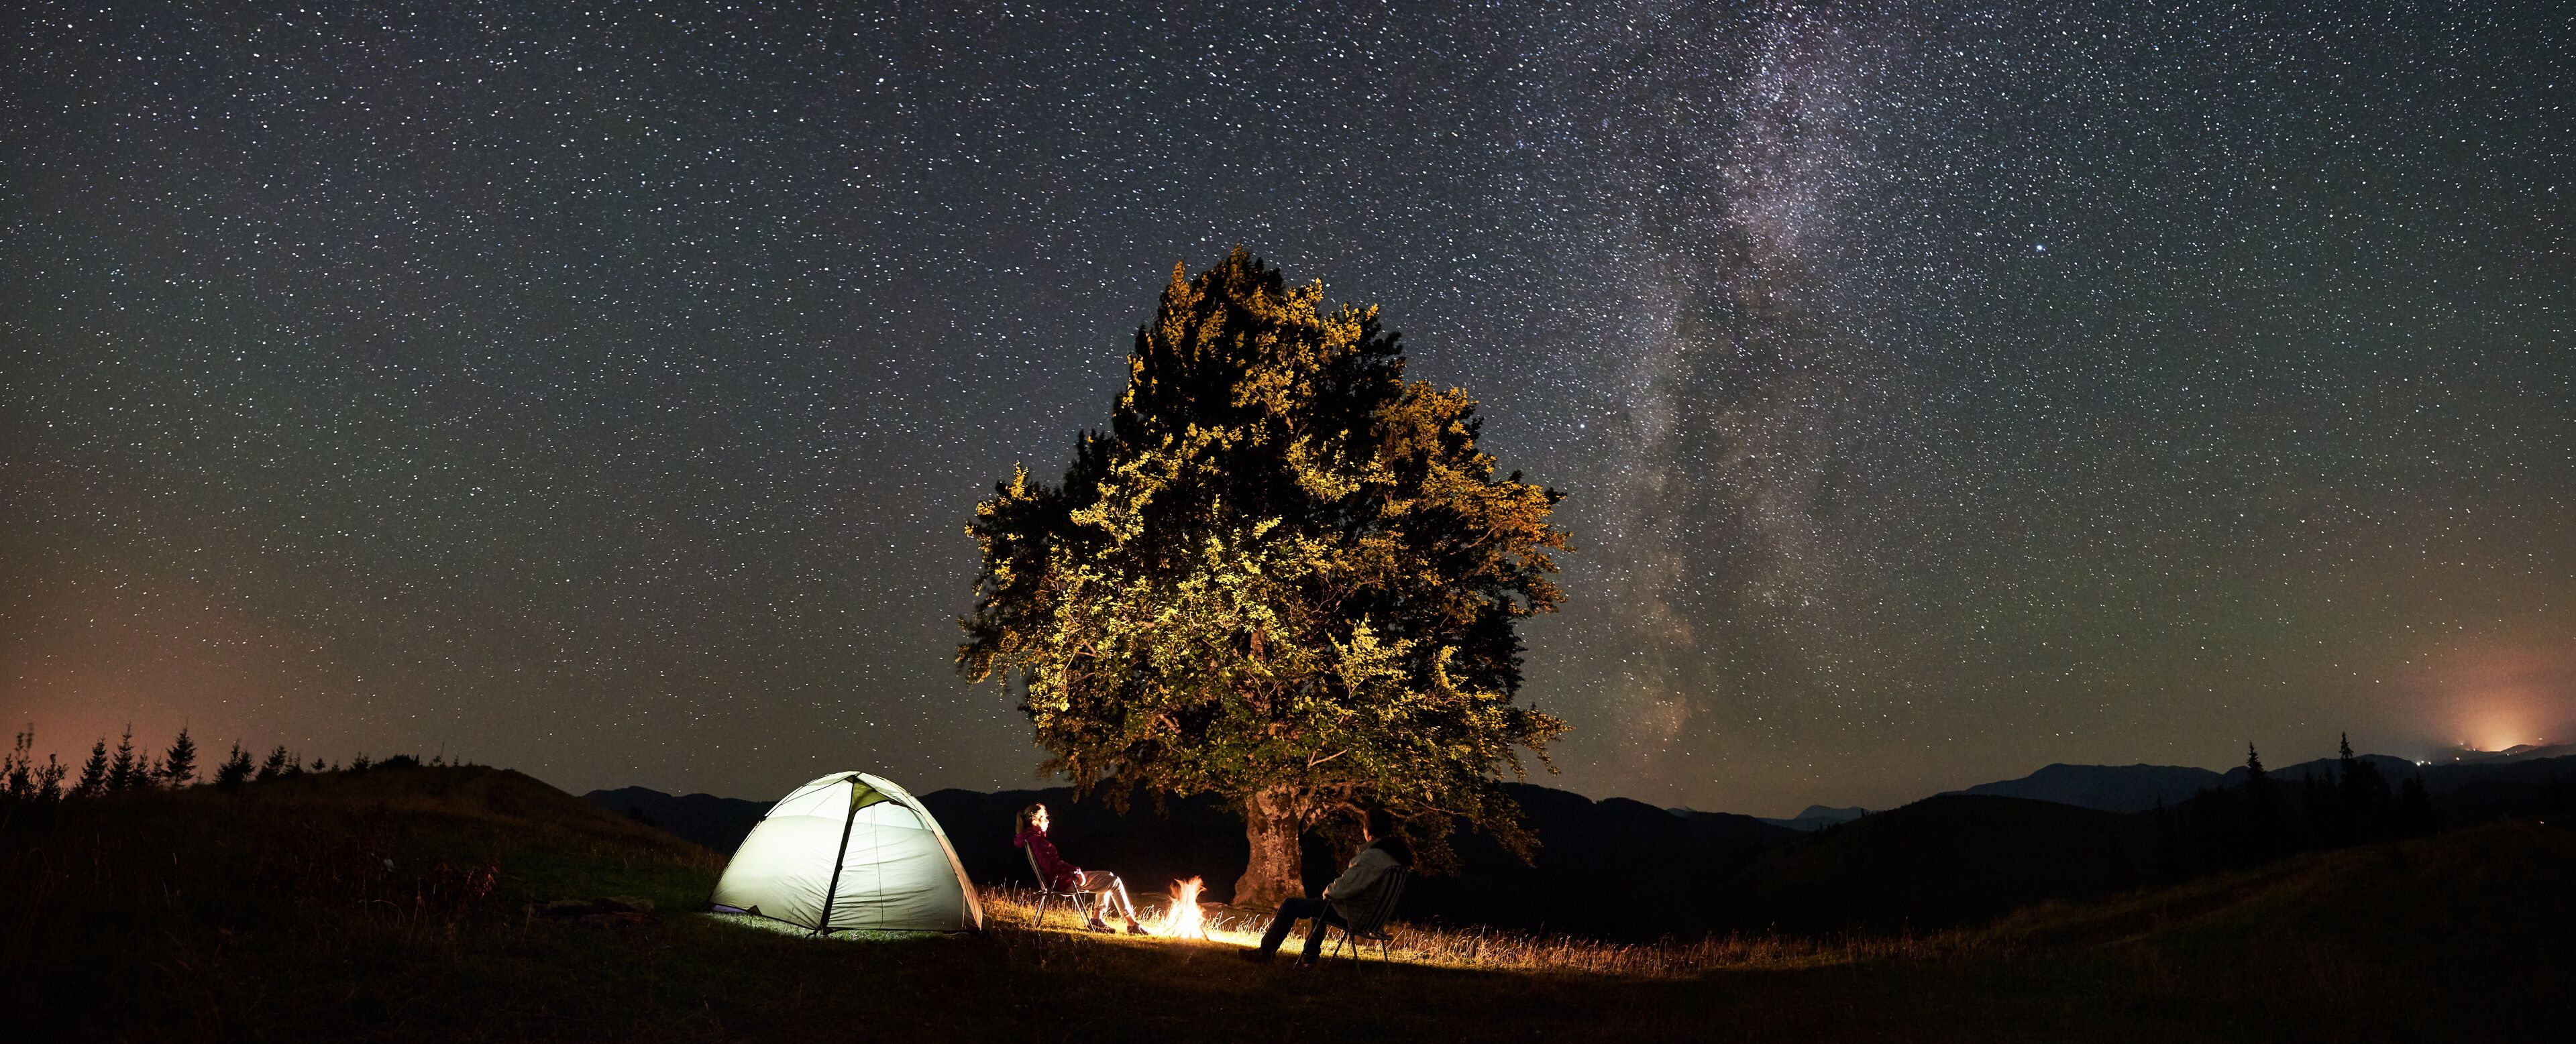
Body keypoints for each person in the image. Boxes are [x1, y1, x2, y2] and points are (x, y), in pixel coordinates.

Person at [1239, 807, 1411, 965]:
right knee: (1319, 906)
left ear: (1368, 831)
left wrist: (1328, 892)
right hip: (1372, 920)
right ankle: (1309, 957)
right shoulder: (1395, 859)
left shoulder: (1373, 857)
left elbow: (1342, 890)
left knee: (1291, 905)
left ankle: (1265, 953)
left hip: (1354, 916)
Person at [1012, 803, 1147, 934]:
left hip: (1059, 880)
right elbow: (1050, 865)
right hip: (1062, 882)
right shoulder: (1036, 840)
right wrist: (1075, 871)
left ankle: (1097, 920)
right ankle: (1132, 925)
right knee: (1114, 882)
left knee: (1109, 876)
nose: (1048, 821)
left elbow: (1050, 864)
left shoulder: (1032, 839)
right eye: (1044, 817)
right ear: (1035, 821)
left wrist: (1073, 871)